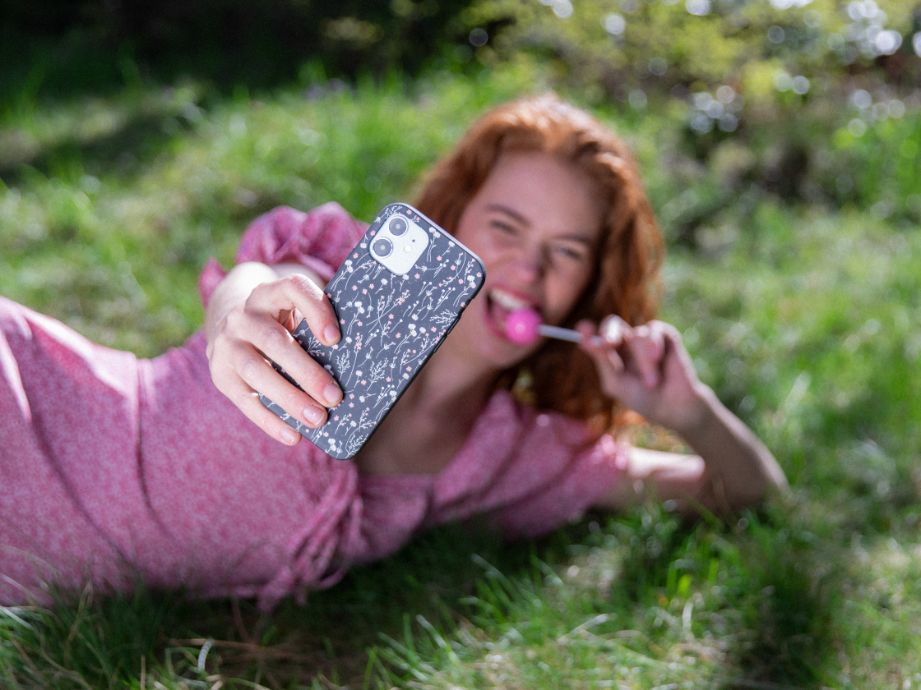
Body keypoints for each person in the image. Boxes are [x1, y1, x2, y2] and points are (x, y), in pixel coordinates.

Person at [0, 94, 786, 611]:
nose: (525, 271)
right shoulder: (346, 281)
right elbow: (263, 280)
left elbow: (744, 492)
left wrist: (688, 411)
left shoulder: (515, 455)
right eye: (504, 227)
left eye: (566, 251)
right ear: (456, 214)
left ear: (587, 289)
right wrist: (238, 312)